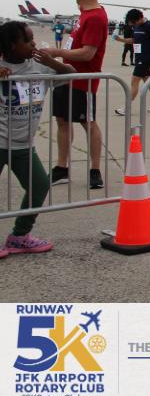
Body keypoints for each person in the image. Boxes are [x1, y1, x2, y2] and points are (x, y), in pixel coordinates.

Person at [0, 22, 75, 256]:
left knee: (39, 186)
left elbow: (72, 73)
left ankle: (19, 237)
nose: (34, 44)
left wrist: (52, 63)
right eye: (28, 40)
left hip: (23, 145)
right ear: (12, 45)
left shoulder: (39, 67)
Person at [48, 0, 108, 190]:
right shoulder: (84, 14)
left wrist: (55, 52)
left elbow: (88, 53)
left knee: (88, 122)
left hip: (83, 81)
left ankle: (95, 170)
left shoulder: (95, 17)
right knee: (62, 121)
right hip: (66, 76)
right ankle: (61, 167)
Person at [113, 9, 150, 116]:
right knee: (148, 81)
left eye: (134, 22)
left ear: (140, 18)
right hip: (138, 58)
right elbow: (134, 40)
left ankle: (127, 107)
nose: (133, 24)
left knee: (134, 81)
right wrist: (121, 40)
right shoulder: (136, 26)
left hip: (145, 58)